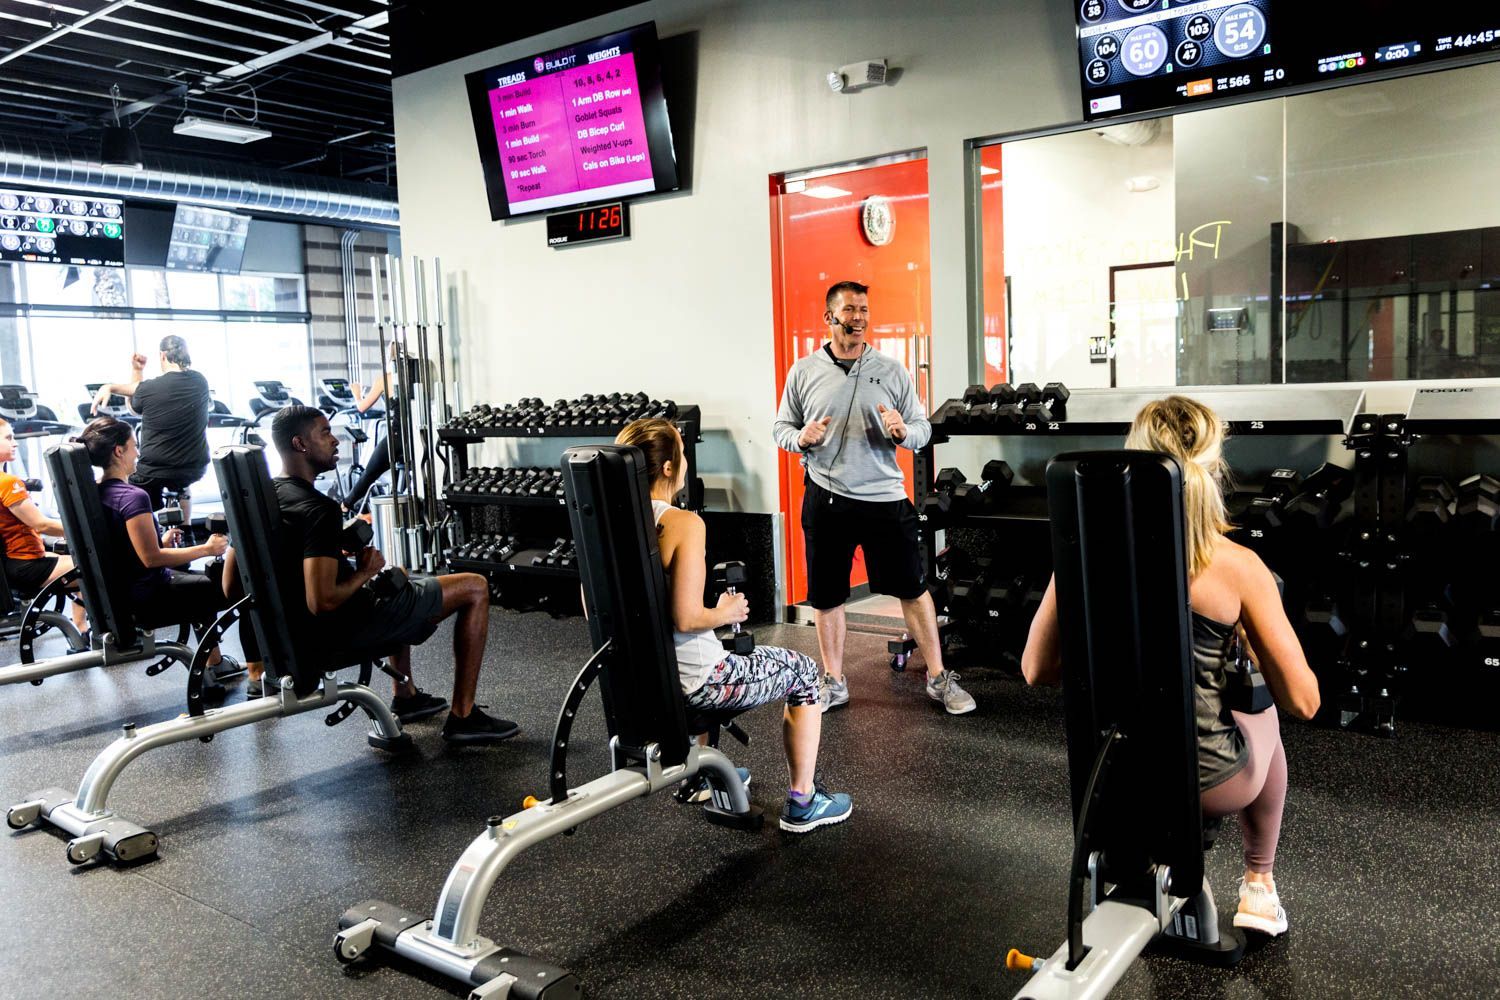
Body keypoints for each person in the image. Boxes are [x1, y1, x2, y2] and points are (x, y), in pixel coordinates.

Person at [1020, 395, 1322, 937]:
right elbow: (1305, 700)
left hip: (1107, 773)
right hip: (1204, 782)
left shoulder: (1084, 549)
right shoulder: (1237, 567)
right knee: (1269, 717)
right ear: (1214, 468)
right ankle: (1259, 883)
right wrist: (1250, 644)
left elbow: (1035, 669)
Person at [616, 418, 851, 833]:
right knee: (806, 673)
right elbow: (687, 618)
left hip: (640, 686)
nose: (685, 460)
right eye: (682, 453)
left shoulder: (609, 527)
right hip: (699, 682)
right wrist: (726, 612)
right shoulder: (684, 524)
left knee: (722, 652)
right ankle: (803, 801)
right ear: (669, 468)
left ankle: (698, 777)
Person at [773, 279, 976, 716]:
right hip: (826, 498)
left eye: (864, 310)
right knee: (826, 597)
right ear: (829, 317)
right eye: (849, 310)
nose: (859, 318)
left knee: (913, 589)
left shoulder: (892, 369)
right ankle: (833, 680)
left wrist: (905, 432)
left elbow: (923, 428)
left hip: (885, 497)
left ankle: (938, 677)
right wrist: (799, 438)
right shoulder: (804, 371)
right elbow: (780, 428)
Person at [263, 404, 516, 743]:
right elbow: (322, 601)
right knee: (475, 586)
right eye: (325, 433)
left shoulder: (264, 499)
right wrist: (364, 572)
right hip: (339, 631)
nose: (336, 441)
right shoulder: (319, 510)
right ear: (300, 444)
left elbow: (230, 583)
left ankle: (406, 696)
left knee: (395, 581)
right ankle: (463, 715)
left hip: (293, 635)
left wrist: (337, 562)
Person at [75, 417, 257, 682]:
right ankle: (256, 673)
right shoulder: (133, 497)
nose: (138, 453)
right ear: (119, 451)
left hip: (126, 591)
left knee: (200, 585)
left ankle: (215, 662)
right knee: (242, 593)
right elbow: (151, 559)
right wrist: (207, 548)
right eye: (134, 446)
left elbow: (123, 546)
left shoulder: (97, 493)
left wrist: (161, 540)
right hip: (148, 595)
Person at [91, 335, 211, 520]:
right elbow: (139, 389)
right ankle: (185, 529)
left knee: (127, 485)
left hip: (154, 470)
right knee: (181, 482)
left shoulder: (150, 388)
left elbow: (133, 408)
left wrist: (119, 380)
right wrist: (135, 372)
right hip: (196, 467)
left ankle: (144, 535)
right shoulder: (200, 381)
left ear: (162, 356)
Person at [0, 417, 87, 633]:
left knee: (80, 559)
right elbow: (41, 525)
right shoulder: (7, 483)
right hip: (26, 566)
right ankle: (89, 629)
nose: (15, 443)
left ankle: (82, 627)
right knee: (98, 565)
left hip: (12, 565)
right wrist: (84, 530)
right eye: (8, 438)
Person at [341, 343, 407, 512]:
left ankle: (345, 506)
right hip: (414, 433)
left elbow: (362, 407)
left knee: (370, 473)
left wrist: (356, 393)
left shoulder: (385, 379)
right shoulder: (415, 375)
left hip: (398, 435)